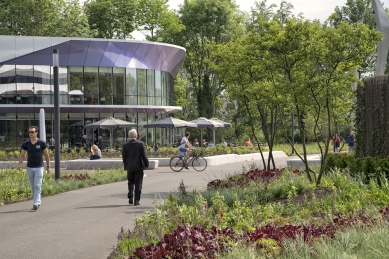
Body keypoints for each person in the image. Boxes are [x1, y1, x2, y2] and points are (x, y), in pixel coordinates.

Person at [18, 126, 50, 211]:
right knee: (33, 186)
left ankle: (36, 203)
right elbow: (22, 155)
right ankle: (37, 201)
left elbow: (47, 155)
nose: (30, 134)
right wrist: (20, 164)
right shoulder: (26, 144)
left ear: (36, 133)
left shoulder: (42, 143)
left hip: (39, 167)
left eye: (32, 132)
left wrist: (48, 166)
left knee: (37, 185)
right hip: (30, 168)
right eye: (29, 132)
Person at [122, 129, 149, 206]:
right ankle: (136, 201)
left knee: (130, 182)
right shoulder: (140, 144)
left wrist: (126, 165)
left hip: (130, 166)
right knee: (138, 184)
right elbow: (144, 155)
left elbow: (124, 157)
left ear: (129, 136)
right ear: (136, 135)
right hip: (138, 167)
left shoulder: (125, 145)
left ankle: (130, 196)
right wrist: (146, 165)